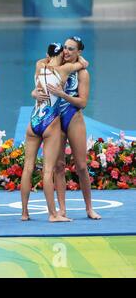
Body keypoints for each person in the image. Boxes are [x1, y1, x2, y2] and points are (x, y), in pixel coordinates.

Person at [22, 43, 87, 222]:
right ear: (61, 54)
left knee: (27, 168)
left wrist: (34, 93)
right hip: (51, 123)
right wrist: (80, 58)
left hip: (34, 121)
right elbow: (83, 64)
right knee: (48, 170)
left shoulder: (39, 66)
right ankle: (53, 214)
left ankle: (25, 213)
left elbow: (43, 62)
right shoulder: (64, 70)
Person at [48, 37, 101, 220]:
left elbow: (83, 102)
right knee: (59, 166)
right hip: (56, 119)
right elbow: (41, 64)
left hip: (73, 118)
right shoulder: (56, 65)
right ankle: (62, 209)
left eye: (71, 49)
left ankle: (89, 208)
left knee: (81, 166)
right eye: (65, 48)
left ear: (79, 52)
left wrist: (63, 94)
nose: (66, 52)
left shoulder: (83, 74)